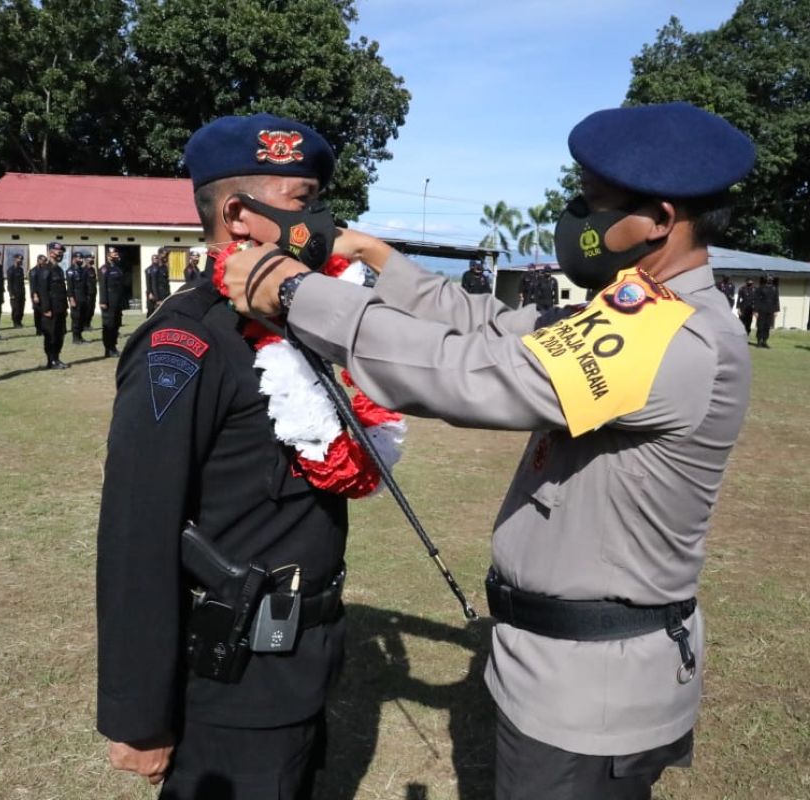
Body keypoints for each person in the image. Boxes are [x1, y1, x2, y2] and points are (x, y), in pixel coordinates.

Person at [222, 101, 755, 800]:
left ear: (657, 219)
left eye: (591, 204)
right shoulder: (631, 309)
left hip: (591, 695)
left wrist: (294, 293)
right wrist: (377, 257)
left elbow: (471, 374)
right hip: (556, 668)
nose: (576, 221)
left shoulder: (670, 337)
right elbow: (492, 323)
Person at [97, 113, 348, 800]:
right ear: (239, 214)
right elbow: (136, 530)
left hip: (299, 664)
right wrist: (140, 717)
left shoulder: (291, 321)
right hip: (231, 680)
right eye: (303, 201)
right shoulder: (186, 344)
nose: (320, 219)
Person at [39, 242, 69, 369]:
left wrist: (65, 307)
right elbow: (43, 290)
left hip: (60, 307)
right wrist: (46, 309)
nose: (60, 254)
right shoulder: (46, 269)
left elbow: (62, 290)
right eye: (58, 251)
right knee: (51, 335)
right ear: (51, 252)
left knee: (59, 334)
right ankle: (51, 360)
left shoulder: (59, 269)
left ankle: (56, 358)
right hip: (51, 309)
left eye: (62, 252)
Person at [98, 246, 128, 357]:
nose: (116, 255)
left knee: (116, 325)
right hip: (108, 302)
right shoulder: (104, 269)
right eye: (113, 253)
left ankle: (113, 347)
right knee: (108, 326)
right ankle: (108, 349)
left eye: (116, 253)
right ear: (108, 256)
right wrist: (103, 301)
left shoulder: (118, 268)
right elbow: (102, 287)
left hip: (117, 302)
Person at [66, 252, 89, 344]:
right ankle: (75, 338)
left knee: (82, 318)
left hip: (83, 297)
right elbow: (70, 287)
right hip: (75, 298)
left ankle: (80, 336)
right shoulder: (70, 271)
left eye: (81, 258)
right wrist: (71, 299)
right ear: (74, 259)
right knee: (76, 318)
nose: (81, 260)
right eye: (79, 258)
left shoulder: (83, 270)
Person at [754, 275, 779, 348]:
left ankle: (765, 341)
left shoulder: (775, 288)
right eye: (768, 279)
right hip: (761, 309)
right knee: (760, 326)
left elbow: (776, 300)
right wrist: (755, 311)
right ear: (765, 280)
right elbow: (757, 300)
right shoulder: (760, 288)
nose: (770, 280)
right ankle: (759, 341)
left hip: (770, 310)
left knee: (767, 326)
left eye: (771, 279)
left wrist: (776, 311)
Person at [7, 253, 26, 328]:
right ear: (15, 259)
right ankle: (15, 322)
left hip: (21, 292)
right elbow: (9, 283)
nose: (21, 260)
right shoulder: (11, 270)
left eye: (21, 259)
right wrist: (11, 293)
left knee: (21, 308)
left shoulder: (21, 269)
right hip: (14, 292)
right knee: (16, 308)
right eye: (19, 258)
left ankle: (20, 322)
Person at [81, 254, 99, 337]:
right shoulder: (83, 270)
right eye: (90, 258)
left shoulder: (92, 269)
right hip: (86, 293)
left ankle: (88, 324)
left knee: (91, 309)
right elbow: (83, 283)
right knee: (86, 310)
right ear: (86, 259)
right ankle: (84, 325)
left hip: (93, 292)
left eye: (93, 258)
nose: (92, 259)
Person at [30, 254, 47, 335]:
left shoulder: (44, 270)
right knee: (37, 313)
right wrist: (35, 295)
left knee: (44, 312)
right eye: (44, 261)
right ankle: (38, 330)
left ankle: (43, 329)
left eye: (46, 261)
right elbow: (33, 285)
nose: (45, 263)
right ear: (39, 260)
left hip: (44, 294)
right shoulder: (33, 271)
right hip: (36, 295)